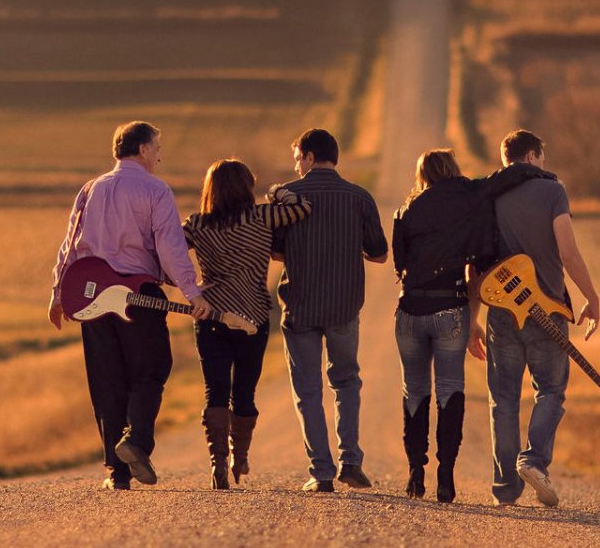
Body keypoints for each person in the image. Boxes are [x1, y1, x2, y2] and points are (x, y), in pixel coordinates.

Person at [50, 120, 214, 491]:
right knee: (152, 368)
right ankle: (137, 440)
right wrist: (193, 293)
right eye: (157, 148)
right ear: (142, 150)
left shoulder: (90, 188)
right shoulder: (156, 190)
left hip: (92, 300)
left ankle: (116, 472)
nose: (160, 155)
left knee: (107, 380)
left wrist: (58, 294)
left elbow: (70, 245)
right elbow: (170, 248)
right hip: (137, 294)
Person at [476, 128, 600, 508]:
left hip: (502, 312)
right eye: (541, 157)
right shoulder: (552, 191)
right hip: (547, 308)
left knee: (503, 398)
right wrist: (591, 298)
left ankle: (505, 489)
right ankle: (533, 460)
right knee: (549, 390)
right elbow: (568, 253)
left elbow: (477, 261)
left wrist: (472, 317)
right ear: (532, 156)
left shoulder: (489, 193)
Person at [270, 127, 389, 493]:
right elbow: (380, 253)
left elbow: (274, 251)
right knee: (347, 382)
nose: (296, 167)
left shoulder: (288, 198)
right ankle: (350, 460)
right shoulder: (359, 197)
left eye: (297, 159)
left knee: (307, 390)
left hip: (301, 305)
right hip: (344, 305)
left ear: (307, 157)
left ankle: (321, 471)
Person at [182, 160, 311, 489]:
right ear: (245, 187)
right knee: (245, 392)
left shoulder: (197, 224)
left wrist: (192, 288)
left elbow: (168, 253)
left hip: (211, 315)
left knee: (215, 391)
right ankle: (240, 456)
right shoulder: (263, 215)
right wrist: (276, 191)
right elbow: (302, 207)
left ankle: (217, 462)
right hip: (254, 315)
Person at [390, 148, 502, 504]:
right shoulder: (467, 207)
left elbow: (401, 263)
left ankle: (415, 472)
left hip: (411, 309)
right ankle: (446, 474)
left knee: (415, 390)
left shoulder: (406, 212)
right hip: (450, 308)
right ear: (453, 170)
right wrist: (473, 315)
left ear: (422, 174)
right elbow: (477, 266)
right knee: (451, 390)